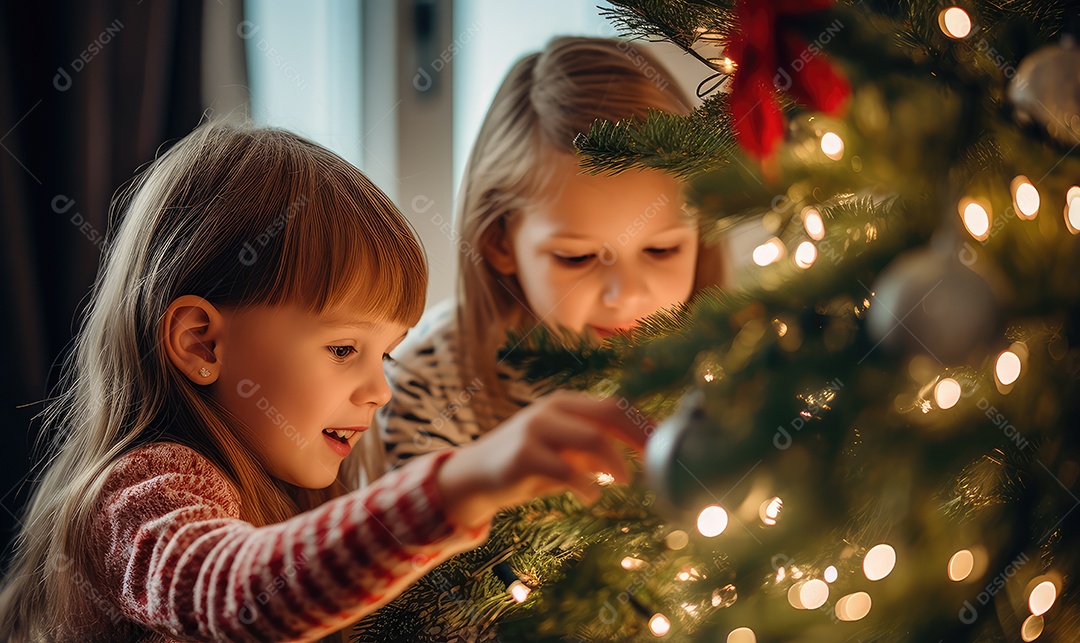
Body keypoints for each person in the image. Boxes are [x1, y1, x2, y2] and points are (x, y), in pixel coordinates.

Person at [0, 121, 644, 643]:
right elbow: (245, 595)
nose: (379, 391)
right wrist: (465, 480)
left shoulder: (282, 487)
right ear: (201, 342)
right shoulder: (139, 493)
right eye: (343, 348)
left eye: (384, 356)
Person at [378, 36, 724, 466]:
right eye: (577, 258)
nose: (627, 295)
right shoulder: (425, 387)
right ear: (500, 242)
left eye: (662, 249)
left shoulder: (738, 358)